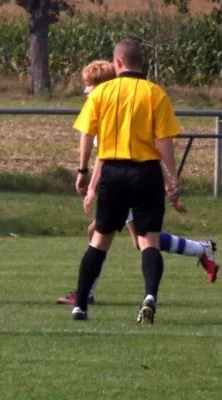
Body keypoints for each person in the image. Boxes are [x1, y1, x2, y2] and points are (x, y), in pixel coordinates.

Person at [56, 60, 218, 306]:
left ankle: (85, 294)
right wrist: (166, 180)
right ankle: (201, 249)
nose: (85, 91)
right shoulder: (117, 103)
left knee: (127, 238)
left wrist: (90, 187)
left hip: (124, 181)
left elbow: (106, 158)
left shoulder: (108, 105)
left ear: (101, 86)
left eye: (88, 85)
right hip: (137, 179)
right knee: (134, 239)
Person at [70, 39, 183, 324]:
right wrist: (172, 177)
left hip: (113, 172)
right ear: (141, 63)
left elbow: (86, 134)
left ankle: (80, 305)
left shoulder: (103, 92)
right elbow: (165, 140)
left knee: (99, 240)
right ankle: (149, 297)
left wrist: (83, 171)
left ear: (117, 63)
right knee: (149, 242)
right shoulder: (155, 93)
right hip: (146, 173)